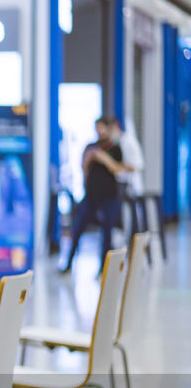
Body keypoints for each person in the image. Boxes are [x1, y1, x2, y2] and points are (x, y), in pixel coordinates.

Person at [61, 115, 133, 274]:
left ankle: (103, 268)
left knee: (107, 231)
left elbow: (117, 168)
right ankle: (68, 263)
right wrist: (89, 159)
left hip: (109, 195)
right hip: (91, 194)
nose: (99, 130)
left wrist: (101, 157)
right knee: (78, 227)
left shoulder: (114, 148)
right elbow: (83, 167)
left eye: (102, 127)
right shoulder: (90, 146)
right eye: (97, 127)